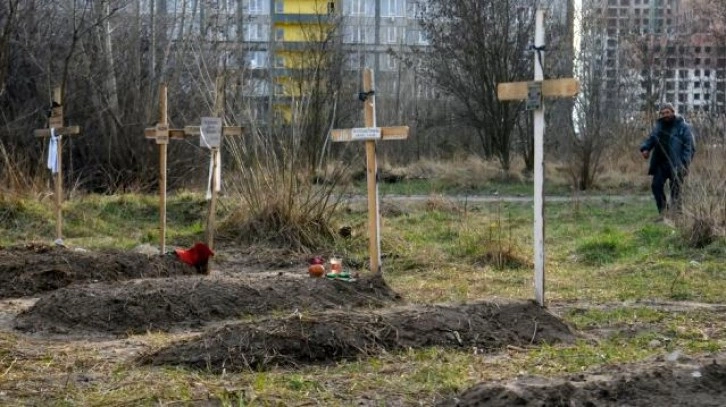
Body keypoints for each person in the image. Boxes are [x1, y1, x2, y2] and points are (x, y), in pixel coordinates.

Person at [639, 103, 695, 218]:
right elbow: (651, 139)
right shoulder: (659, 126)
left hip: (677, 163)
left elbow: (689, 147)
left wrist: (685, 163)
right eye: (663, 113)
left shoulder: (683, 127)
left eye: (667, 112)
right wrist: (645, 148)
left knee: (676, 190)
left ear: (673, 112)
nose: (665, 115)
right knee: (656, 186)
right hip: (661, 163)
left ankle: (676, 215)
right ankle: (664, 212)